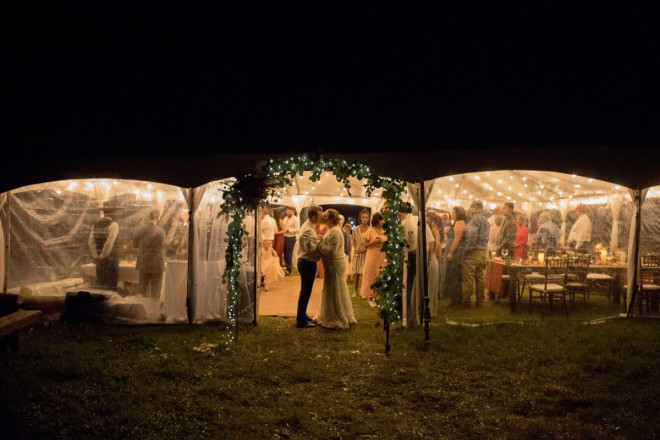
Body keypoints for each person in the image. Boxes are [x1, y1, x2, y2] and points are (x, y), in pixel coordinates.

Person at [315, 209, 357, 329]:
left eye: (326, 216)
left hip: (334, 263)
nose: (323, 217)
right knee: (333, 287)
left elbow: (330, 251)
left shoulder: (334, 231)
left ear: (331, 218)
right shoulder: (332, 230)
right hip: (332, 263)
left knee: (334, 288)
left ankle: (336, 316)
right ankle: (332, 314)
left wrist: (319, 243)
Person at [399, 210, 434, 324]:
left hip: (409, 256)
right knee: (421, 285)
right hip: (421, 255)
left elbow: (401, 246)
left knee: (407, 285)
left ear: (400, 213)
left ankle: (405, 312)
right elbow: (431, 242)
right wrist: (427, 258)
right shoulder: (420, 220)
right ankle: (421, 312)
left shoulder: (404, 224)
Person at [295, 205, 323, 328]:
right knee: (305, 292)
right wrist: (319, 240)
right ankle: (300, 321)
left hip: (307, 262)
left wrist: (316, 239)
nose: (321, 218)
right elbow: (310, 248)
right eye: (320, 216)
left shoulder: (310, 226)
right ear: (313, 216)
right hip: (306, 263)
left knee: (306, 291)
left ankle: (302, 315)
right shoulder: (307, 229)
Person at [132, 209, 166, 298]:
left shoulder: (139, 230)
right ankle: (154, 311)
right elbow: (163, 247)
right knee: (156, 292)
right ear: (157, 217)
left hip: (143, 264)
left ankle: (142, 310)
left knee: (142, 291)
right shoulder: (160, 232)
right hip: (157, 265)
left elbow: (134, 244)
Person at [461, 202, 490, 308]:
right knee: (479, 276)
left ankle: (467, 301)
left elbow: (472, 237)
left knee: (468, 277)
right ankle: (480, 300)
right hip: (483, 251)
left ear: (475, 208)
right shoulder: (486, 221)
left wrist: (466, 250)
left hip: (473, 251)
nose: (469, 209)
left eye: (471, 207)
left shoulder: (475, 220)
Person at [360, 212, 387, 306]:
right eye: (381, 219)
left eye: (383, 219)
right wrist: (373, 242)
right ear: (376, 220)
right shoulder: (370, 231)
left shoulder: (386, 231)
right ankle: (371, 297)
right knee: (371, 275)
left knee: (381, 274)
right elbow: (365, 245)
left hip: (383, 255)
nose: (383, 221)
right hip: (372, 255)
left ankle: (379, 296)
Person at [88, 214, 119, 290]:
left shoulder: (94, 225)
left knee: (100, 285)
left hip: (99, 261)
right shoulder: (114, 224)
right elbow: (109, 243)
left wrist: (96, 257)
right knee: (111, 286)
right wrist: (102, 256)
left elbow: (91, 243)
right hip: (110, 260)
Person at [443, 206, 467, 306]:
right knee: (453, 274)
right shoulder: (457, 222)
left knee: (454, 275)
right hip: (454, 250)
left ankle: (455, 299)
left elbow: (457, 238)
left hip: (456, 252)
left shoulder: (459, 222)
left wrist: (451, 252)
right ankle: (454, 298)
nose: (452, 214)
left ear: (458, 213)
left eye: (453, 213)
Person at [425, 212, 441, 316]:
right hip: (434, 259)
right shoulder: (435, 232)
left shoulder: (432, 232)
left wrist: (430, 258)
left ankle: (426, 310)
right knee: (430, 286)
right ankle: (430, 310)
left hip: (430, 259)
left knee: (427, 285)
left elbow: (433, 248)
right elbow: (439, 251)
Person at [351, 209, 370, 294]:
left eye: (366, 217)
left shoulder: (370, 229)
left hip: (367, 252)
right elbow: (353, 242)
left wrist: (366, 249)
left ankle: (364, 291)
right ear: (360, 218)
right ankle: (355, 291)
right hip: (358, 252)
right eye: (363, 217)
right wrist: (356, 249)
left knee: (365, 273)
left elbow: (370, 242)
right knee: (357, 272)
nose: (365, 219)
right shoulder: (355, 229)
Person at [282, 207, 300, 274]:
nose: (289, 213)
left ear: (293, 212)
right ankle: (286, 267)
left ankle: (289, 269)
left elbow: (298, 229)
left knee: (289, 254)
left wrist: (289, 231)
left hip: (291, 238)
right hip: (284, 237)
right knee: (285, 253)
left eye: (290, 212)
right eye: (288, 212)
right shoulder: (285, 218)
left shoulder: (295, 219)